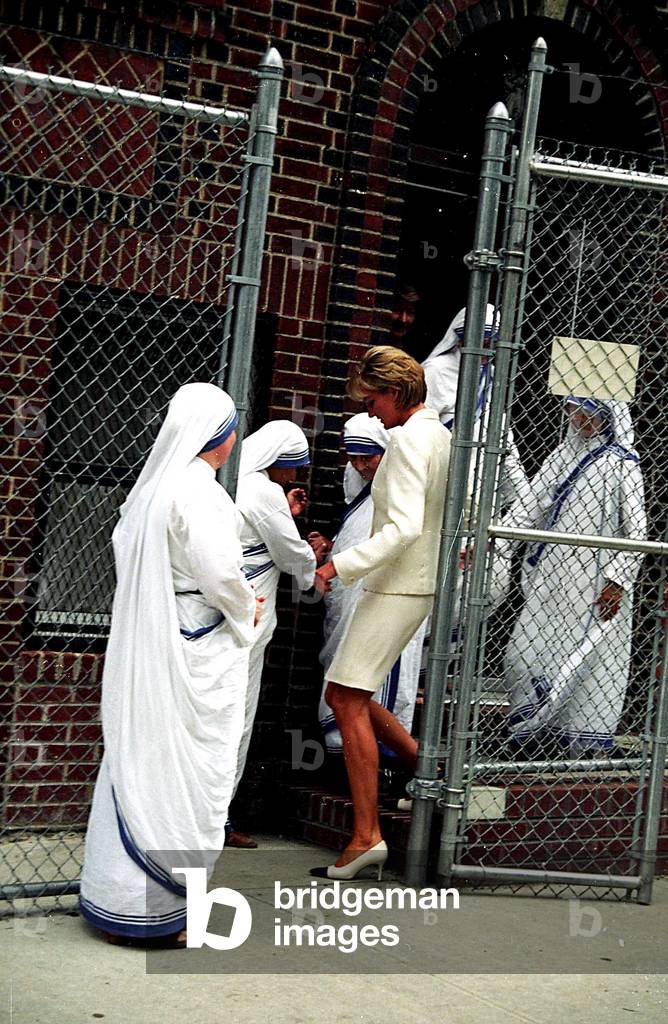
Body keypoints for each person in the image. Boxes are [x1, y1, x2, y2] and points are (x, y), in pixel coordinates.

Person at [79, 383, 260, 947]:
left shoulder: (151, 492)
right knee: (189, 772)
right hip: (196, 646)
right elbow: (219, 573)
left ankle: (118, 898)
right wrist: (245, 608)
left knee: (139, 759)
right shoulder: (202, 496)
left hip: (155, 642)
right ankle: (171, 915)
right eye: (231, 426)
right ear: (219, 436)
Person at [311, 347, 450, 880]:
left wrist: (336, 567)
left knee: (345, 695)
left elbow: (404, 527)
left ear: (394, 392)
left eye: (372, 401)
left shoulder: (412, 439)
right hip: (406, 582)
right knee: (351, 692)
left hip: (398, 585)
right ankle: (428, 771)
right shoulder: (433, 434)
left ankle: (367, 835)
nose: (370, 412)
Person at [502, 396, 646, 757]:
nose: (580, 418)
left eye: (589, 411)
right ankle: (532, 731)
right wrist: (497, 543)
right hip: (551, 580)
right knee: (523, 653)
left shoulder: (622, 464)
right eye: (573, 410)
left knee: (590, 664)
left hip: (596, 585)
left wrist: (618, 580)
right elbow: (528, 506)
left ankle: (577, 746)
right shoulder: (561, 456)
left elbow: (637, 530)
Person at [309, 413, 427, 759]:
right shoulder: (360, 486)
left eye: (369, 457)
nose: (361, 466)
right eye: (354, 457)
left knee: (370, 679)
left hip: (381, 594)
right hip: (347, 592)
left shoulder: (401, 485)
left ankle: (384, 755)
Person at [227, 421, 317, 847]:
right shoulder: (262, 491)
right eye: (293, 468)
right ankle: (220, 819)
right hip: (249, 623)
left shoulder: (229, 479)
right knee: (237, 720)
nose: (294, 478)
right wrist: (311, 561)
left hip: (219, 621)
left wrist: (287, 514)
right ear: (278, 463)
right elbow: (289, 553)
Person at [422, 304, 529, 507]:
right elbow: (419, 431)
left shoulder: (490, 375)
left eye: (493, 344)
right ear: (463, 339)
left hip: (479, 491)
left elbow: (501, 436)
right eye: (483, 342)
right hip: (440, 487)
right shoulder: (436, 371)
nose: (488, 351)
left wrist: (523, 500)